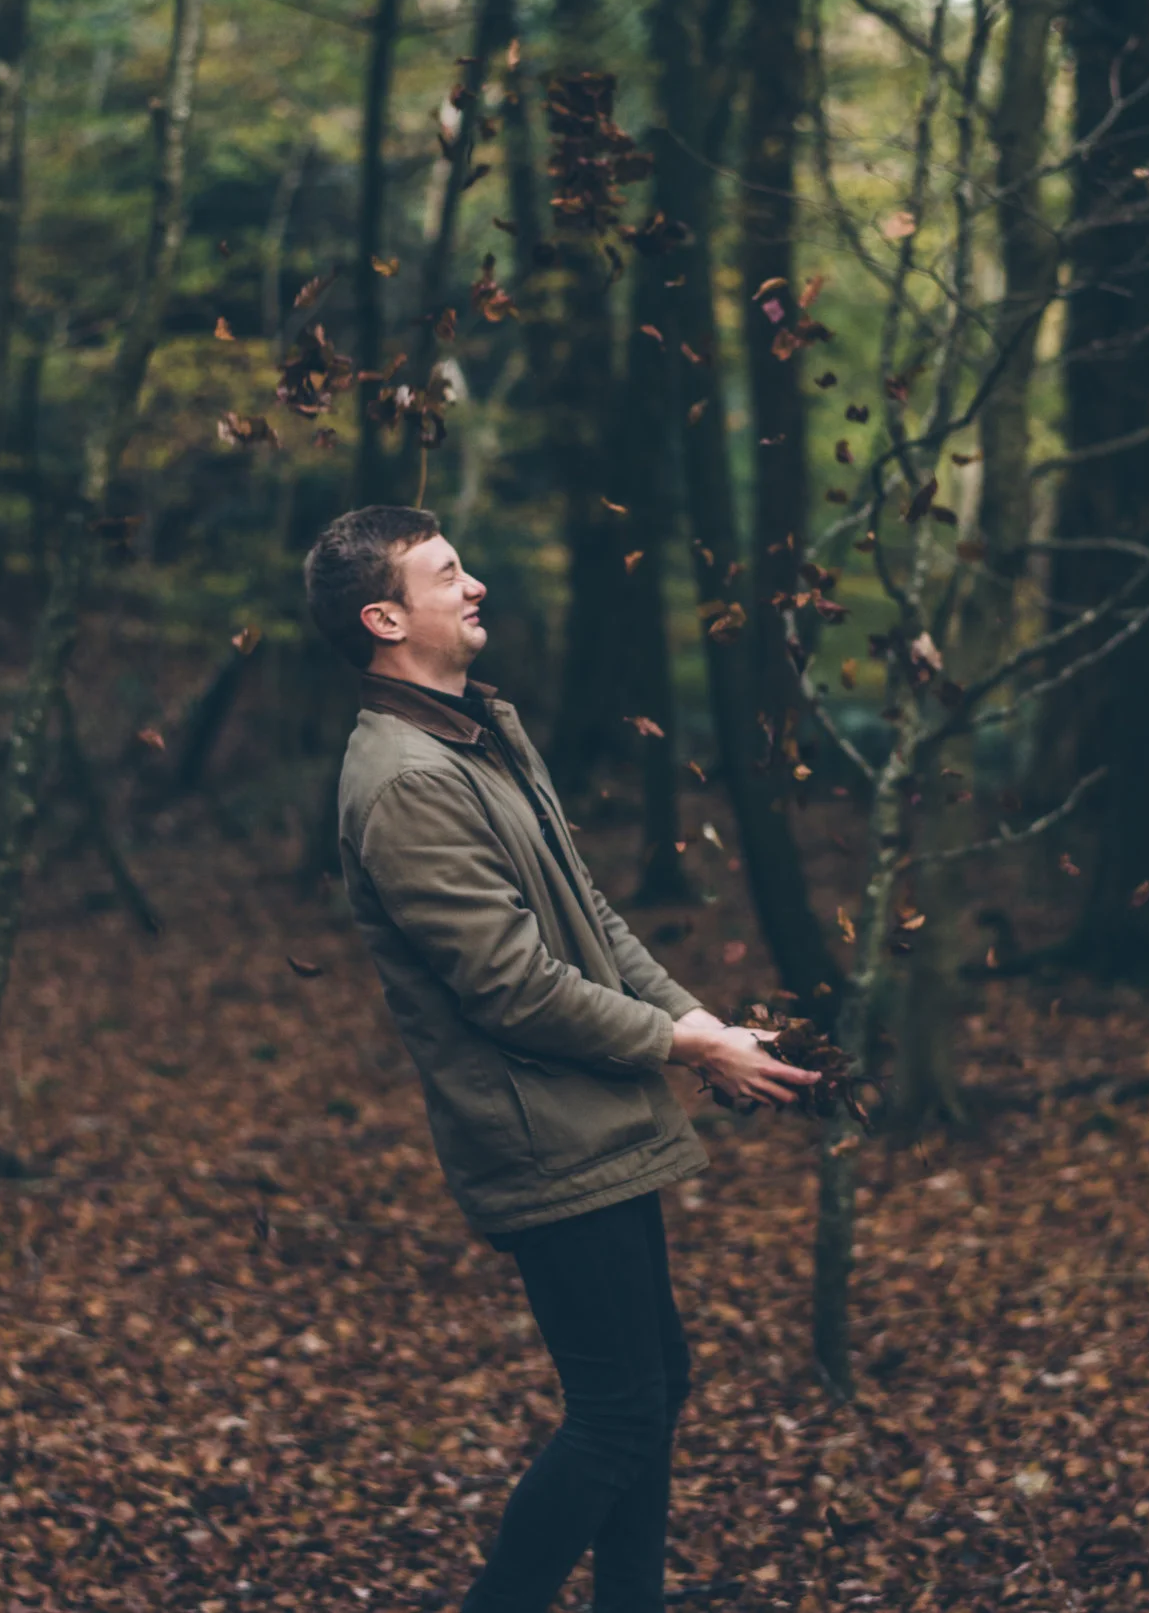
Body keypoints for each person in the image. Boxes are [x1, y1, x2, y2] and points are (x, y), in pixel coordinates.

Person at [306, 506, 817, 1613]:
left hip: (599, 1113)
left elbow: (587, 914)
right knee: (619, 1410)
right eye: (450, 575)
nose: (476, 584)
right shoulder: (402, 781)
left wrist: (704, 1029)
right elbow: (510, 984)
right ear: (384, 616)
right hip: (539, 1134)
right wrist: (686, 1043)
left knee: (652, 1388)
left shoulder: (479, 728)